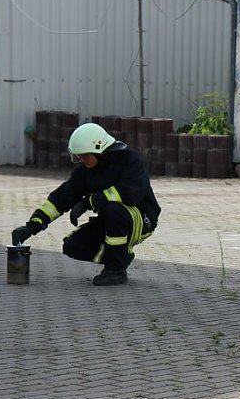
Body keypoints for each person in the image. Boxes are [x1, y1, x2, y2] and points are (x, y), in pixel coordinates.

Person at [12, 122, 161, 286]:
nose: (81, 160)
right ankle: (120, 257)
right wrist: (33, 226)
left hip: (142, 217)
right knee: (73, 246)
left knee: (113, 209)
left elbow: (128, 194)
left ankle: (115, 270)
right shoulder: (86, 170)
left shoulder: (129, 160)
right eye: (79, 156)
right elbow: (62, 198)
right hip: (113, 220)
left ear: (100, 150)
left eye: (84, 155)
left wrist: (88, 202)